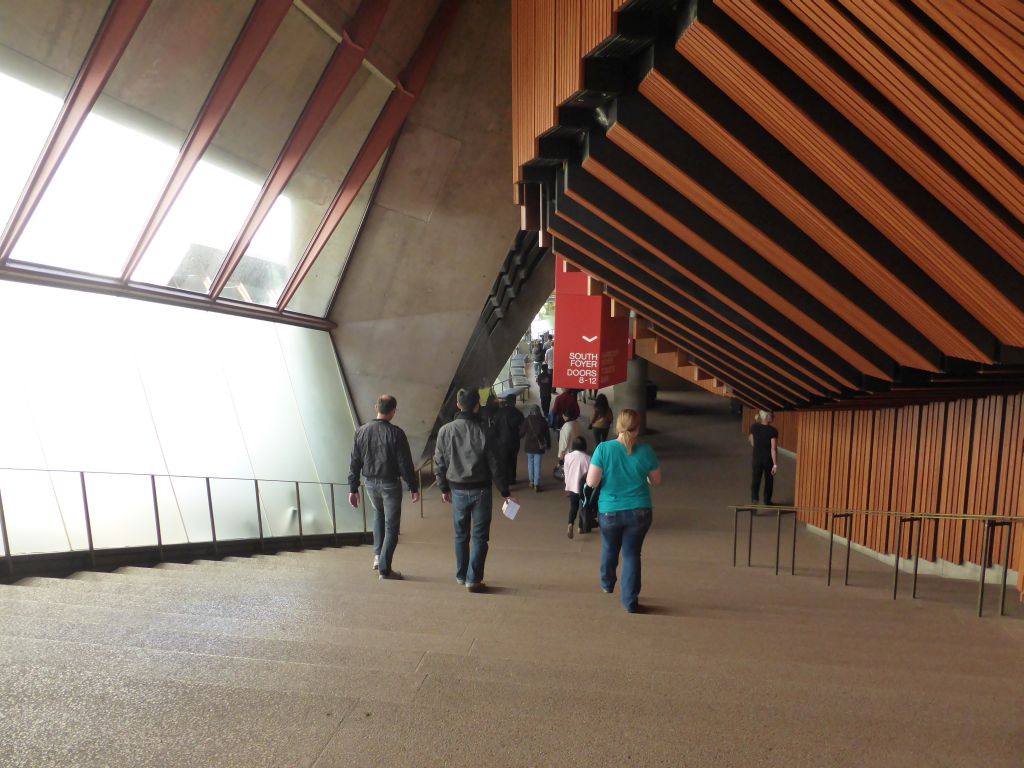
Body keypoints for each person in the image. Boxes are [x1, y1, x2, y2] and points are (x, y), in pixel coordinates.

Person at [434, 388, 516, 592]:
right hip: (481, 490)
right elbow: (495, 464)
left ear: (458, 405)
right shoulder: (484, 431)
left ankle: (461, 575)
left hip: (457, 489)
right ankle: (474, 578)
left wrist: (443, 487)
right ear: (477, 406)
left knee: (461, 535)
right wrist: (505, 491)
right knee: (480, 536)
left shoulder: (445, 431)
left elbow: (439, 462)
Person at [585, 408, 661, 613]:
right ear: (637, 429)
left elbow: (591, 482)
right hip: (640, 510)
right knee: (632, 554)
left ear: (617, 426)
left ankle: (607, 583)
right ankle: (629, 601)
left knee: (609, 547)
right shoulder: (646, 451)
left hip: (609, 510)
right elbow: (656, 481)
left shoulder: (603, 449)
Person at [347, 394, 420, 580]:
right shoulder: (396, 433)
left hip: (369, 483)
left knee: (378, 516)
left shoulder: (361, 431)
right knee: (391, 525)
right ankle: (385, 569)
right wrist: (413, 486)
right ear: (393, 411)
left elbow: (355, 462)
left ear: (376, 407)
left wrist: (353, 488)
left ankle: (378, 557)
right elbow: (405, 463)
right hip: (389, 484)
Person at [492, 394, 525, 485]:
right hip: (514, 441)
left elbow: (494, 427)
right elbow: (523, 427)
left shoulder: (499, 412)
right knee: (513, 460)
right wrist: (519, 436)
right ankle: (512, 479)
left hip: (502, 442)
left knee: (503, 461)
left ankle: (504, 480)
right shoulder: (518, 413)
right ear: (514, 401)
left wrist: (497, 438)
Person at [749, 409, 779, 505]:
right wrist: (775, 464)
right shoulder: (773, 431)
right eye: (772, 415)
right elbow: (773, 449)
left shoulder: (754, 427)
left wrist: (758, 447)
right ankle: (767, 500)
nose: (773, 417)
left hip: (756, 458)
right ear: (767, 417)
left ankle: (754, 499)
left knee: (756, 480)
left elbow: (751, 440)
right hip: (768, 460)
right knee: (769, 481)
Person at [563, 435, 590, 539]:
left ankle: (570, 523)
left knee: (573, 507)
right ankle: (580, 527)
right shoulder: (588, 458)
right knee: (583, 506)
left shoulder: (568, 457)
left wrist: (567, 485)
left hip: (572, 486)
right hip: (584, 487)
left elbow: (566, 472)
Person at [520, 403, 550, 492]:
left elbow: (521, 432)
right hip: (539, 447)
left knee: (530, 463)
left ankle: (531, 481)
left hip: (529, 446)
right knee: (537, 465)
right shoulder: (543, 421)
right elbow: (547, 435)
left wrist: (516, 437)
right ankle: (537, 484)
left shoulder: (527, 420)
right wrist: (548, 444)